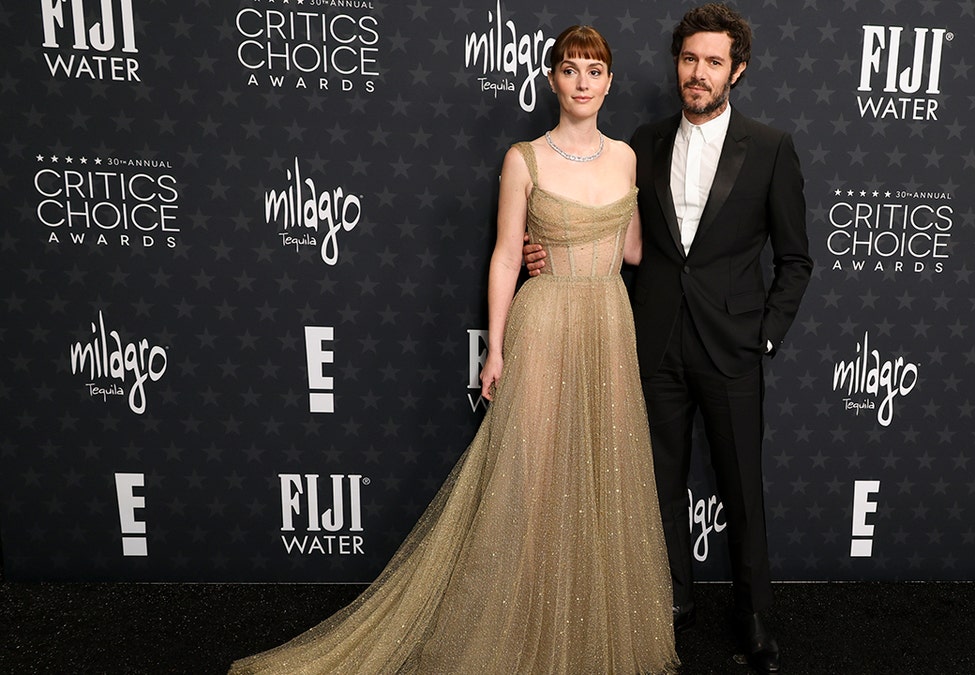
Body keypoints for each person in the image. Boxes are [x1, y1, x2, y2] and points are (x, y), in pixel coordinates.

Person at [230, 26, 678, 675]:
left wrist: (578, 246)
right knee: (534, 474)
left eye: (594, 70)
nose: (583, 81)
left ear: (609, 82)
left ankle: (586, 623)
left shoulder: (626, 159)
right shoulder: (524, 158)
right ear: (551, 79)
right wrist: (495, 349)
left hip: (608, 319)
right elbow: (502, 255)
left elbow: (633, 249)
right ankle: (523, 620)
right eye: (571, 68)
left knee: (602, 471)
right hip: (546, 319)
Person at [525, 5, 811, 673]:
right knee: (654, 486)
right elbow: (607, 228)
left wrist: (764, 336)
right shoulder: (641, 143)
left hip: (732, 345)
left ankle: (755, 619)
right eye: (689, 59)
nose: (698, 72)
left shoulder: (770, 147)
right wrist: (545, 250)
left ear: (736, 70)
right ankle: (668, 603)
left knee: (742, 488)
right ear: (675, 65)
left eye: (714, 61)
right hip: (651, 341)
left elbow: (797, 259)